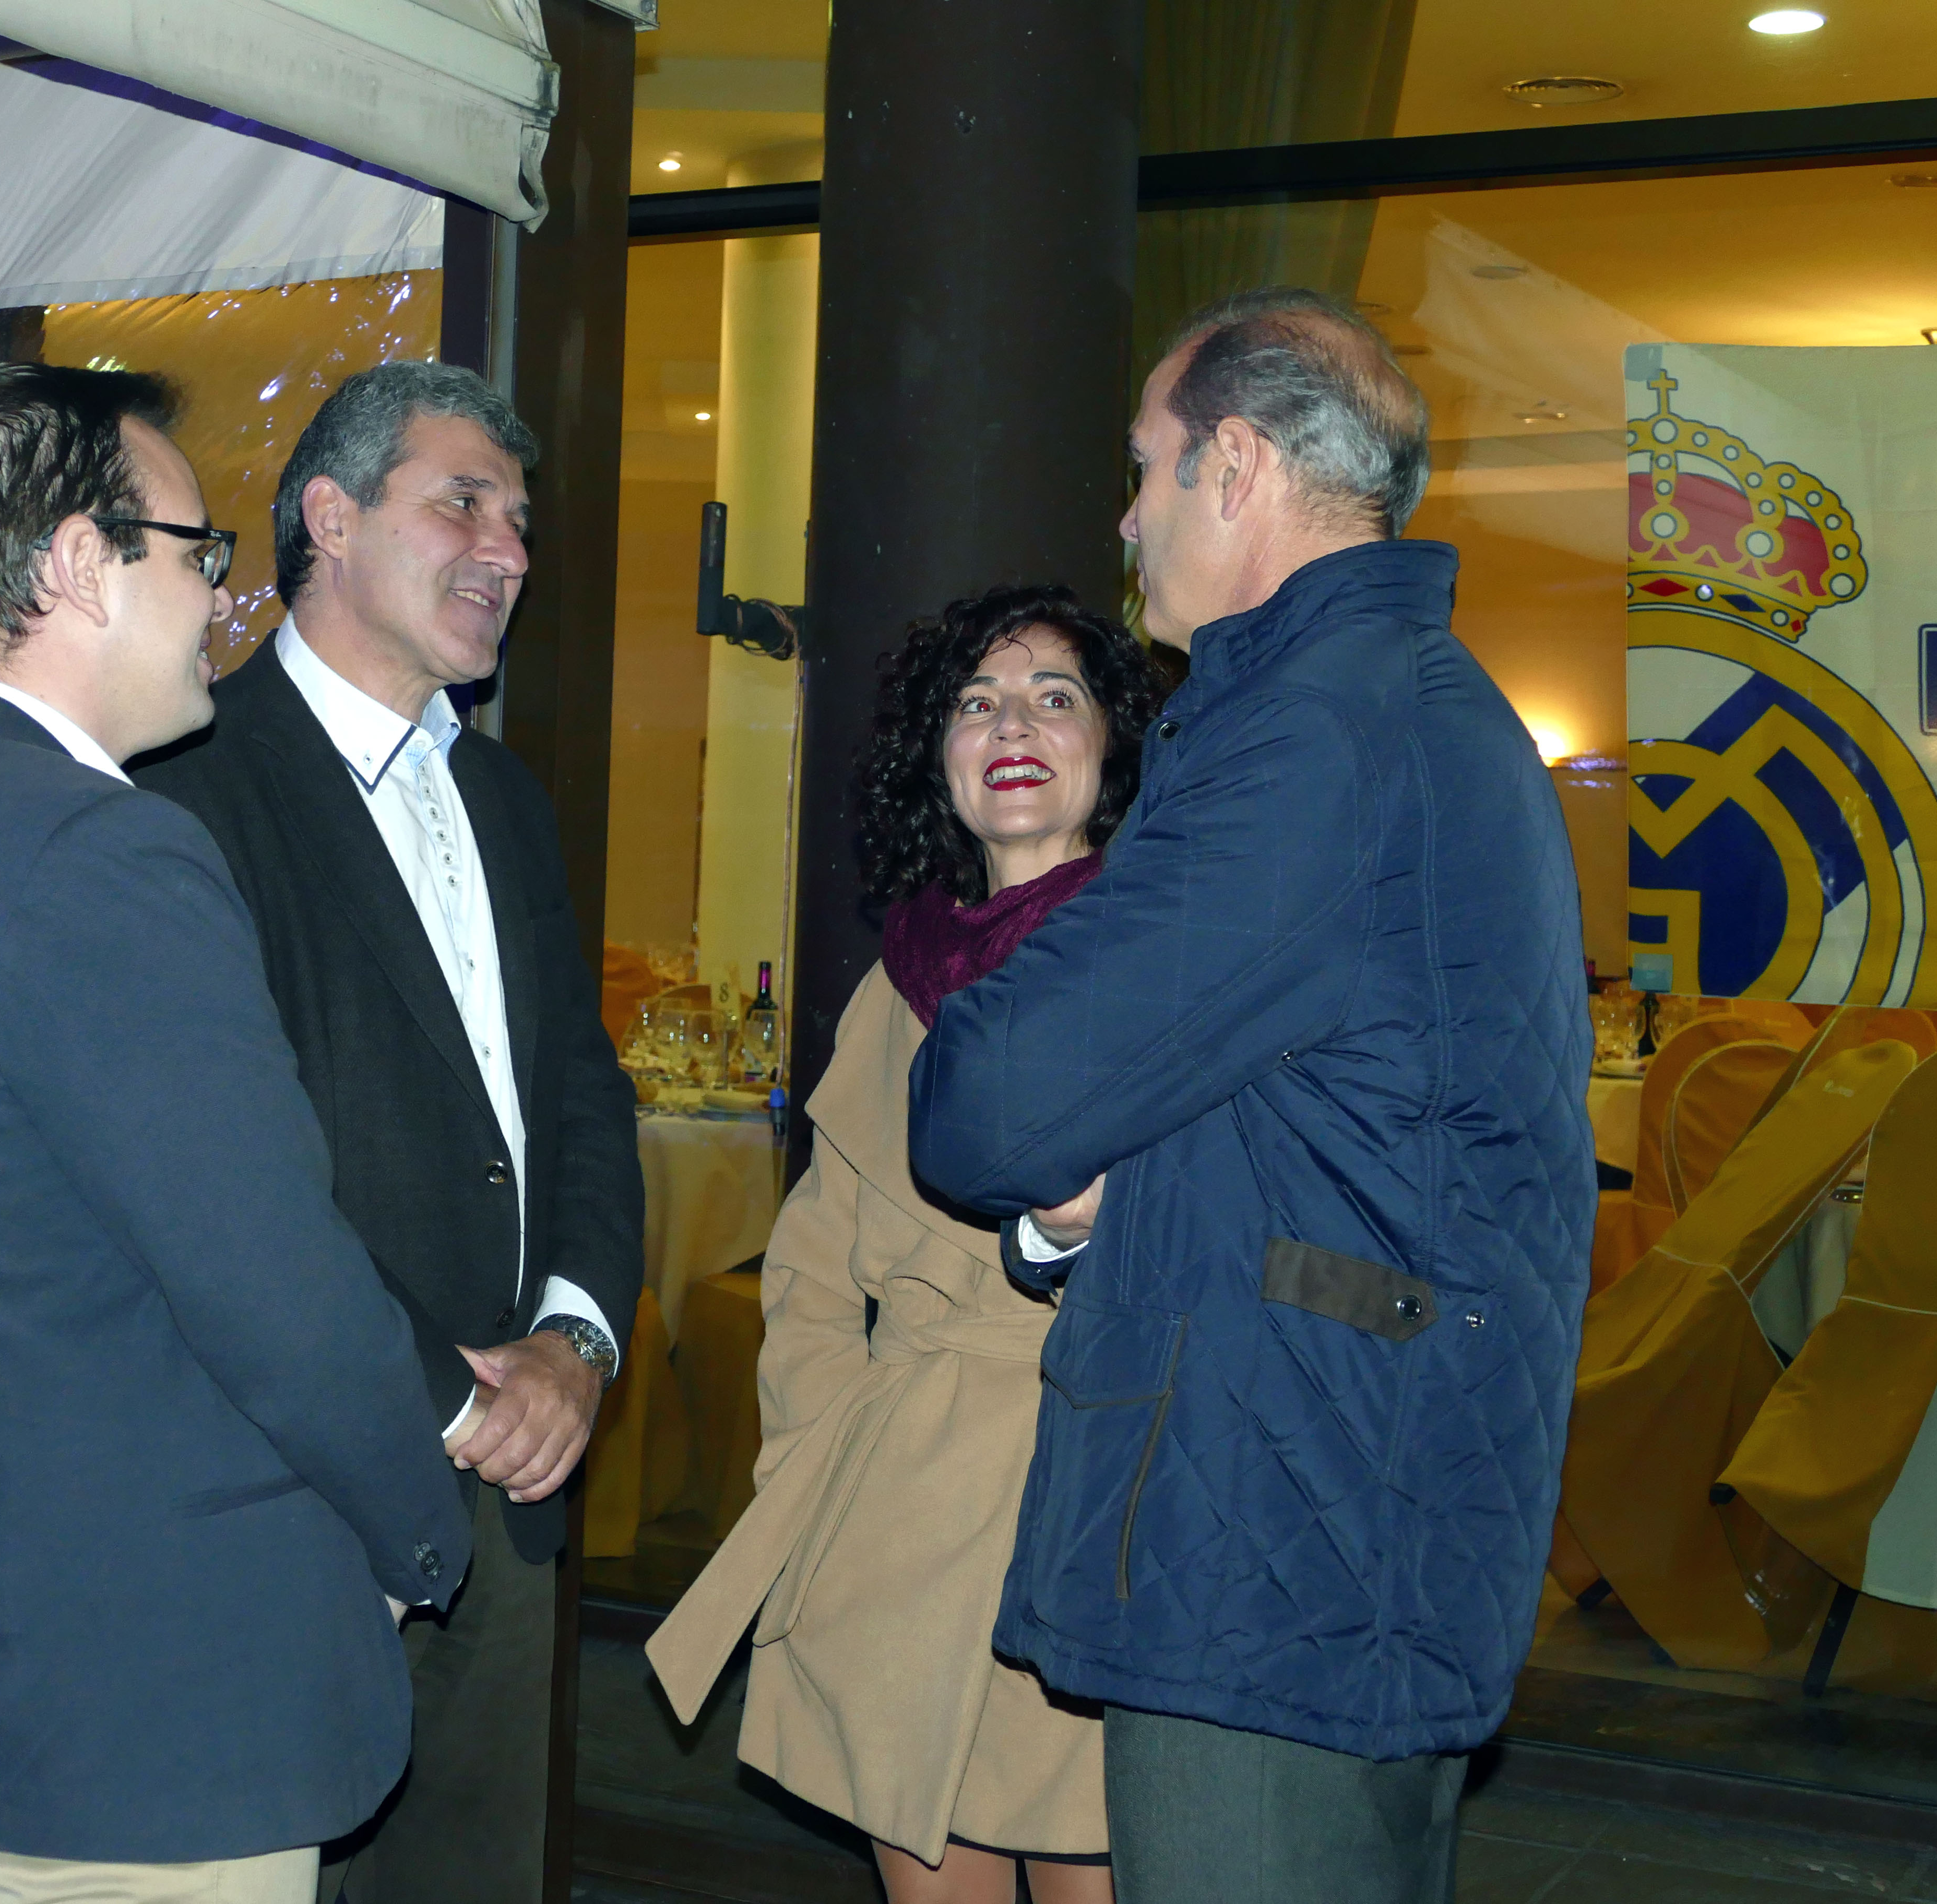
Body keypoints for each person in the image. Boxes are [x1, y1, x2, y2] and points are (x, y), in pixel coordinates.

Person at [0, 362, 473, 1904]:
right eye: (200, 553)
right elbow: (277, 1291)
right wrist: (422, 1530)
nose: (222, 597)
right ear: (84, 564)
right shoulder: (100, 855)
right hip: (135, 1731)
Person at [909, 288, 1594, 1903]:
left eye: (1145, 467)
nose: (1129, 517)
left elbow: (986, 1103)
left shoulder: (1317, 735)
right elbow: (1325, 1114)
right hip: (1347, 1491)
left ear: (1235, 465)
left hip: (1291, 1527)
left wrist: (1067, 1146)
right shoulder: (1404, 702)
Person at [133, 361, 642, 1904]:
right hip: (285, 1490)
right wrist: (452, 1398)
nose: (509, 551)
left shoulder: (509, 802)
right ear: (333, 519)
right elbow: (216, 1177)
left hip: (516, 1499)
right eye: (463, 503)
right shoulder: (185, 783)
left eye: (521, 521)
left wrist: (574, 1346)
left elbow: (580, 1095)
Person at [648, 582, 1161, 1904]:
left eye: (1055, 697)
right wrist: (826, 1450)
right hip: (903, 1511)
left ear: (1112, 746)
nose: (1014, 726)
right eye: (977, 703)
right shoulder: (903, 976)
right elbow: (815, 1264)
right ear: (937, 756)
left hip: (1096, 1504)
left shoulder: (1168, 962)